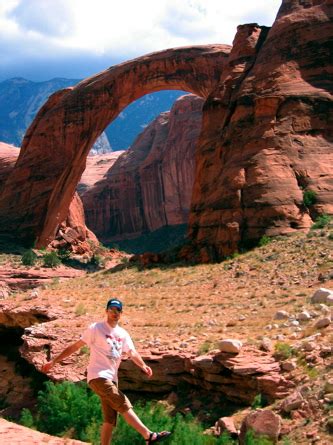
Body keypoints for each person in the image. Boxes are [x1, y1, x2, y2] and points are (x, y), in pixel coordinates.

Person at [42, 298, 172, 445]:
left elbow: (132, 352)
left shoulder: (123, 334)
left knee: (110, 419)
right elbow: (75, 346)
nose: (114, 313)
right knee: (122, 402)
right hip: (98, 376)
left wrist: (143, 366)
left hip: (112, 379)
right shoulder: (96, 328)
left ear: (121, 314)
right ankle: (148, 435)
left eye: (118, 310)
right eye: (112, 309)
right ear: (106, 311)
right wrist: (54, 361)